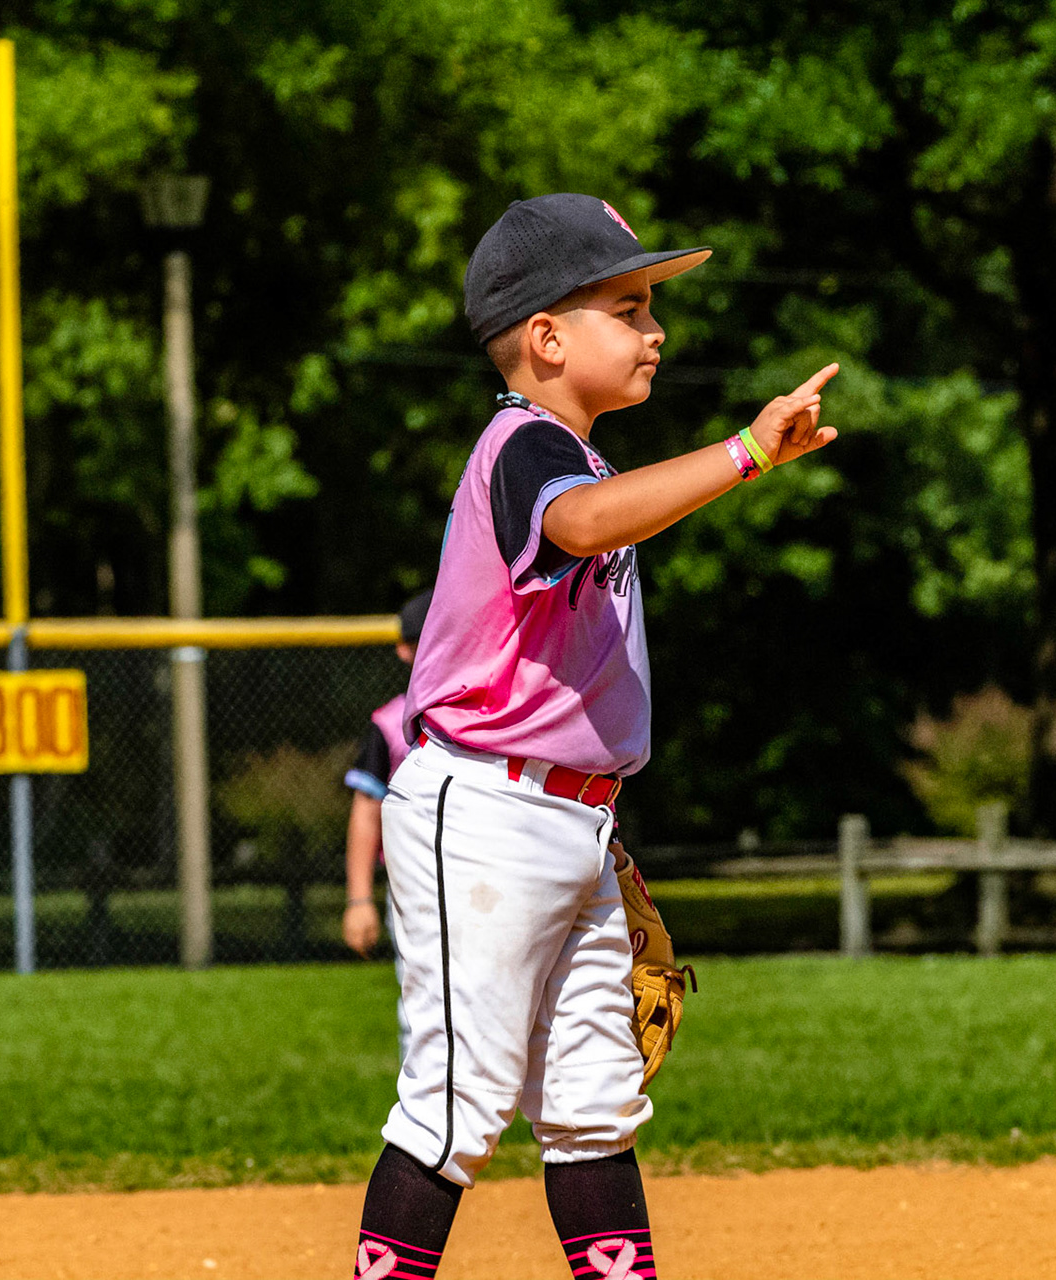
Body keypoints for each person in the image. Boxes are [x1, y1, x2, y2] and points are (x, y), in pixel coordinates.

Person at [351, 192, 838, 1279]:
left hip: (567, 817)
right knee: (455, 1106)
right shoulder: (524, 447)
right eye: (628, 304)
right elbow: (575, 527)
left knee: (590, 1104)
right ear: (546, 337)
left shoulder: (580, 459)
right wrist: (747, 453)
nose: (655, 329)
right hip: (481, 808)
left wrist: (592, 830)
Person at [342, 590, 432, 957]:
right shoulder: (390, 723)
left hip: (484, 868)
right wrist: (359, 899)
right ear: (404, 649)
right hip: (413, 876)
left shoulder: (492, 712)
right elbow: (366, 809)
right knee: (424, 1001)